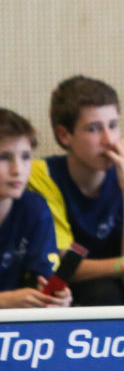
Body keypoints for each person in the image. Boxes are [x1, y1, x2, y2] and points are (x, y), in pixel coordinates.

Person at [28, 76, 124, 305]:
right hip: (68, 290)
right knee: (102, 291)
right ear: (64, 135)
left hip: (119, 282)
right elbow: (59, 263)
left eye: (113, 126)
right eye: (93, 129)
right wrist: (123, 265)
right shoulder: (41, 176)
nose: (109, 140)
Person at [0, 109, 69, 309]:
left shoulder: (35, 208)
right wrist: (4, 301)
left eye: (25, 157)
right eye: (4, 157)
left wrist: (54, 298)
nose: (18, 170)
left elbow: (43, 279)